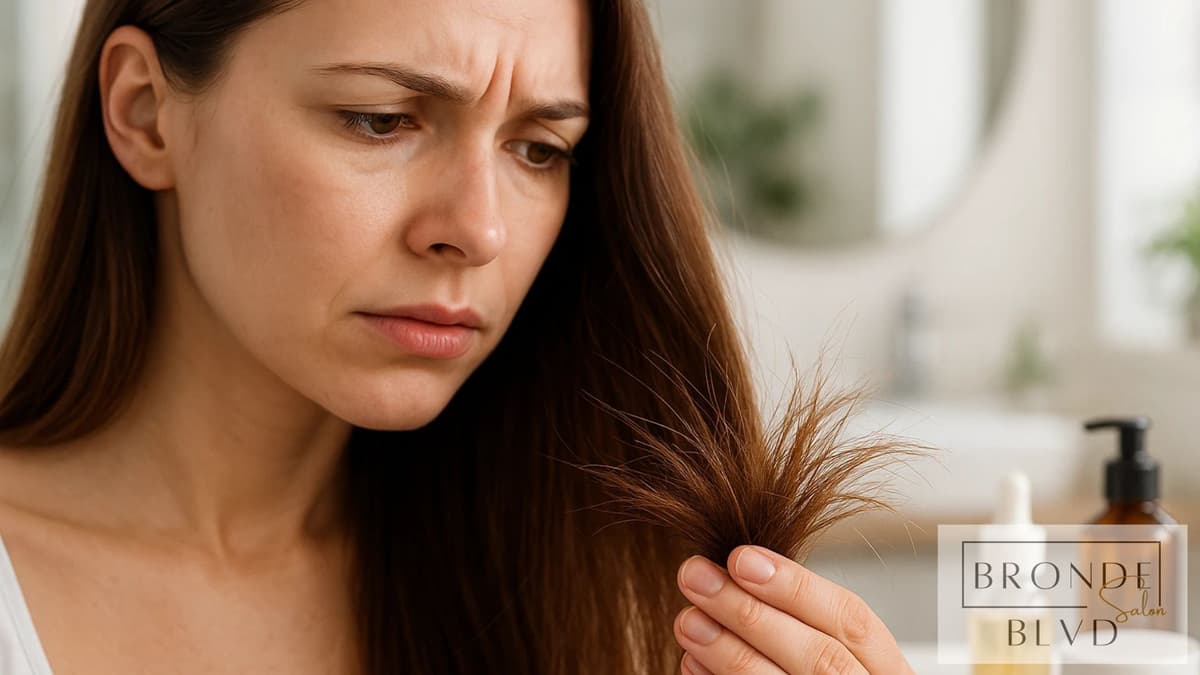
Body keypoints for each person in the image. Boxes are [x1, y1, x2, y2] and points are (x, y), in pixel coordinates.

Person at [0, 0, 917, 673]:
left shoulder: (616, 602)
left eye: (538, 149)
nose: (478, 231)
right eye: (381, 120)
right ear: (143, 112)